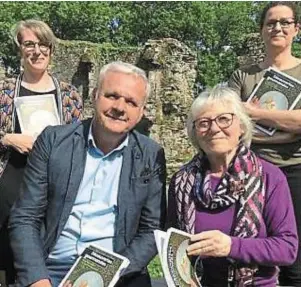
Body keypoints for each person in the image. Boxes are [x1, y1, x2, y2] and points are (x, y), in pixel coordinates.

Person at [8, 61, 166, 287]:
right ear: (94, 95)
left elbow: (152, 229)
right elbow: (25, 216)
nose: (120, 107)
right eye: (112, 96)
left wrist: (109, 275)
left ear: (141, 112)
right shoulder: (53, 142)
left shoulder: (151, 155)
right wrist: (37, 279)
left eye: (131, 102)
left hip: (118, 272)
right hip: (50, 268)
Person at [167, 86, 298, 286]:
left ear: (242, 126)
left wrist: (231, 246)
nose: (214, 128)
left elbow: (287, 248)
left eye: (224, 119)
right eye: (204, 122)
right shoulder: (182, 182)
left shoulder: (269, 177)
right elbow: (173, 246)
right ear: (195, 133)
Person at [0, 19, 82, 285]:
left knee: (36, 258)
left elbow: (77, 143)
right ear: (20, 49)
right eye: (29, 44)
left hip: (50, 188)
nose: (37, 51)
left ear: (51, 49)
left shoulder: (69, 95)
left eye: (43, 44)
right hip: (9, 183)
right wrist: (8, 138)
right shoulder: (4, 91)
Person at [228, 2, 301, 285]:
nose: (277, 28)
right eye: (270, 23)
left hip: (296, 170)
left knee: (295, 257)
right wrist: (288, 127)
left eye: (285, 22)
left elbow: (246, 119)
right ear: (261, 30)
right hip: (252, 174)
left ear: (297, 28)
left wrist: (256, 114)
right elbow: (232, 124)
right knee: (254, 251)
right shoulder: (243, 76)